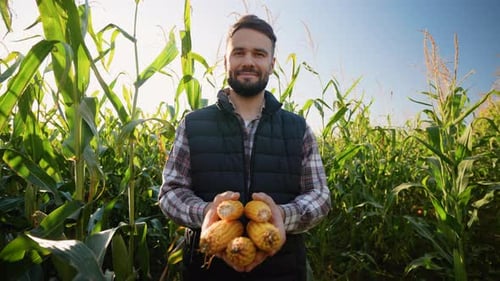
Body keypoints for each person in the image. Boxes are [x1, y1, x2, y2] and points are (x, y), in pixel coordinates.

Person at [158, 14, 331, 281]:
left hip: (282, 271)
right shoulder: (192, 124)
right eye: (239, 52)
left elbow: (318, 195)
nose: (248, 61)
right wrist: (207, 213)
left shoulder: (298, 128)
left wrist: (282, 216)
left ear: (272, 64)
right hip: (207, 271)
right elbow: (171, 191)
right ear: (225, 60)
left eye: (259, 54)